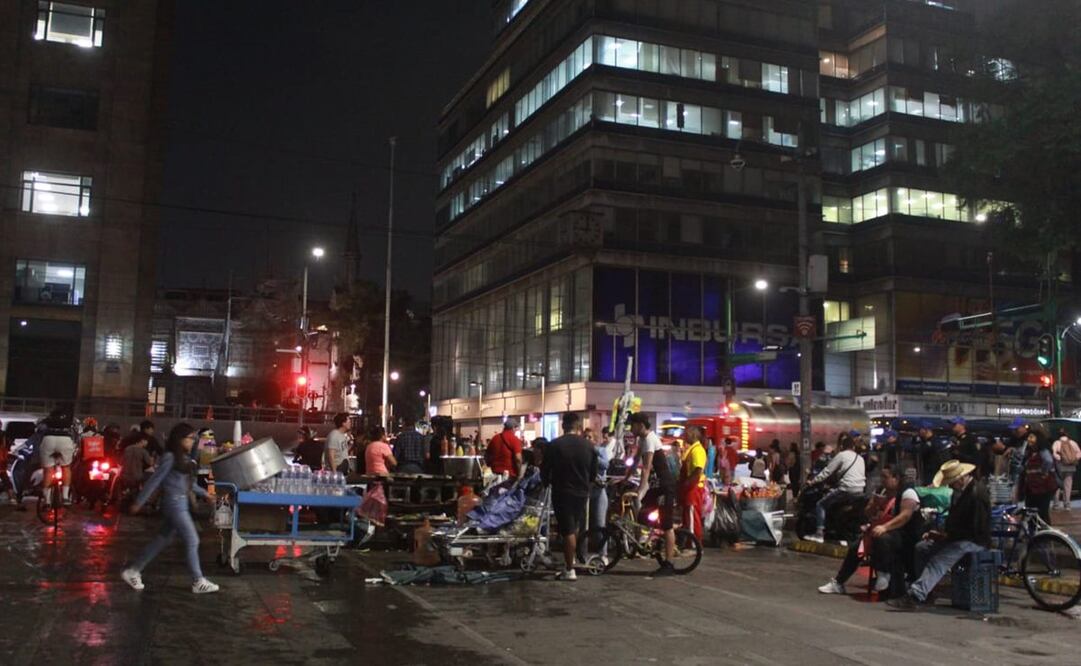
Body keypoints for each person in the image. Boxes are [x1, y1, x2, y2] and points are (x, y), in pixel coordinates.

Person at [121, 423, 219, 594]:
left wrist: (205, 494)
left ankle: (133, 570)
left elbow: (188, 483)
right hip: (174, 504)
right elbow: (155, 480)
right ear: (179, 439)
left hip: (177, 503)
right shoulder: (170, 457)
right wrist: (139, 502)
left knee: (162, 539)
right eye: (190, 438)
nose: (192, 442)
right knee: (192, 539)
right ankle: (198, 580)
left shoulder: (182, 458)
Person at [888, 460, 990, 610]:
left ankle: (916, 595)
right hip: (959, 537)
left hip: (973, 541)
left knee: (939, 561)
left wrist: (948, 536)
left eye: (952, 482)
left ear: (960, 479)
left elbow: (976, 529)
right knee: (922, 548)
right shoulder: (960, 493)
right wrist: (943, 535)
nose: (950, 485)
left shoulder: (976, 494)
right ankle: (927, 592)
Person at [818, 464, 924, 596]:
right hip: (880, 530)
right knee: (856, 547)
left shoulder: (908, 493)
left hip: (903, 535)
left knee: (882, 538)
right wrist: (875, 505)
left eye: (885, 477)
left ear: (896, 478)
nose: (882, 481)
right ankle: (839, 582)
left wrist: (885, 527)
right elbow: (867, 513)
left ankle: (883, 573)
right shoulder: (882, 491)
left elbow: (905, 516)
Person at [542, 412, 598, 581]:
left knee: (567, 529)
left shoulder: (555, 445)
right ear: (578, 426)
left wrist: (547, 483)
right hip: (582, 492)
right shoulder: (589, 446)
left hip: (562, 491)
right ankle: (571, 559)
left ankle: (569, 568)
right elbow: (593, 473)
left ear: (563, 425)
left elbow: (545, 470)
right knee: (575, 527)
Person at [627, 413, 678, 575]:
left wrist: (641, 489)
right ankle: (653, 539)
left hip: (665, 486)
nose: (630, 428)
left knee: (667, 525)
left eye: (632, 425)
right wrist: (624, 478)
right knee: (642, 515)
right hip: (656, 487)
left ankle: (669, 563)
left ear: (641, 425)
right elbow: (636, 461)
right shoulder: (642, 439)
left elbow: (647, 467)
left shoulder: (650, 439)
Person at [806, 434, 866, 543]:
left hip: (846, 489)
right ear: (853, 447)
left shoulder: (841, 455)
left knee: (821, 504)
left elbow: (827, 471)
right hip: (860, 490)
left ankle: (819, 533)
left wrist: (813, 481)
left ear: (842, 446)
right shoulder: (860, 458)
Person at [1017, 429, 1058, 525]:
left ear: (1038, 439)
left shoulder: (1043, 451)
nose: (1029, 440)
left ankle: (1045, 535)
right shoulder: (1030, 452)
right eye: (1028, 437)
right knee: (1031, 512)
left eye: (1031, 437)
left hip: (1043, 488)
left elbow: (1048, 461)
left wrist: (1044, 473)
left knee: (1042, 513)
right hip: (1032, 488)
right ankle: (1035, 534)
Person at [39, 410, 77, 505]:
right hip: (65, 440)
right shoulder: (71, 421)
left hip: (48, 440)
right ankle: (65, 497)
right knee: (66, 467)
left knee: (48, 470)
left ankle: (46, 500)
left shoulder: (46, 420)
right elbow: (77, 433)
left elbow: (38, 429)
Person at [680, 425, 708, 542]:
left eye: (686, 434)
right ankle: (689, 542)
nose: (684, 436)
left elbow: (698, 470)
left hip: (694, 488)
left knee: (692, 516)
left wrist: (687, 483)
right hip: (690, 487)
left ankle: (693, 544)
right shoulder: (692, 449)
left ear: (693, 435)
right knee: (688, 515)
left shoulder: (697, 450)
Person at [1052, 429, 1079, 510]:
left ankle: (1056, 504)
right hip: (1070, 466)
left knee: (1057, 484)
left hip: (1060, 466)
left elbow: (1054, 453)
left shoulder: (1057, 443)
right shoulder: (1072, 442)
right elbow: (1079, 452)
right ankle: (1067, 504)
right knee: (1068, 485)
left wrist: (1059, 459)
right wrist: (1073, 459)